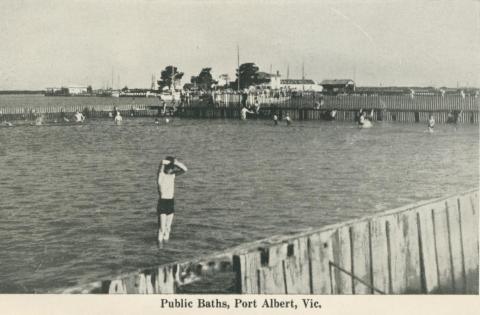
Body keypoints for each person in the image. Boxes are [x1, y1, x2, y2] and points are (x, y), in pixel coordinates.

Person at [156, 157, 187, 242]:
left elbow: (185, 169)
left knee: (168, 228)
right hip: (162, 202)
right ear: (167, 168)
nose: (172, 170)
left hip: (170, 202)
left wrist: (176, 162)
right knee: (162, 228)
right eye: (171, 168)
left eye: (172, 169)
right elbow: (162, 162)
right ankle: (160, 248)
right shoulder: (161, 176)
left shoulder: (172, 176)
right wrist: (167, 162)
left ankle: (165, 248)